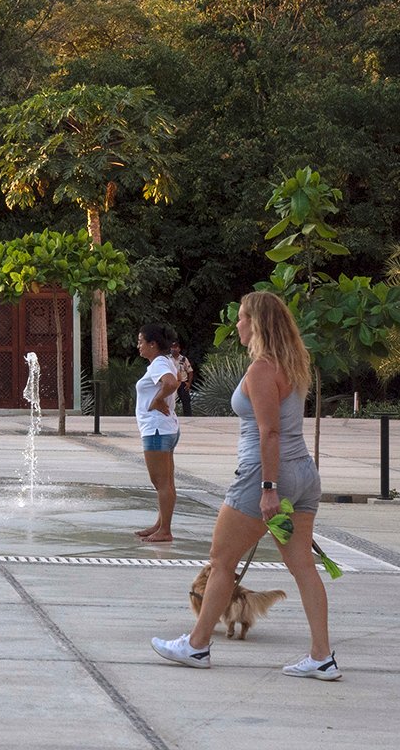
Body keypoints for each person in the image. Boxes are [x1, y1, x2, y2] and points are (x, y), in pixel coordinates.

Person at [152, 291, 339, 680]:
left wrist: (269, 488)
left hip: (265, 477)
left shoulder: (262, 370)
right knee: (303, 565)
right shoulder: (295, 365)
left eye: (241, 317)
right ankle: (322, 656)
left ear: (258, 323)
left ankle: (197, 645)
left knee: (221, 561)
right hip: (303, 475)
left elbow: (269, 433)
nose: (237, 324)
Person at [134, 324, 181, 543]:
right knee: (166, 482)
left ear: (153, 344)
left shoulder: (159, 364)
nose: (138, 346)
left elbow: (171, 383)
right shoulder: (165, 362)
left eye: (141, 341)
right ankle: (161, 524)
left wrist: (158, 399)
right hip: (166, 428)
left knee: (161, 482)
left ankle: (165, 530)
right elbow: (176, 380)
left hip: (156, 430)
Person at [172, 336, 195, 417]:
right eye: (172, 347)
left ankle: (188, 417)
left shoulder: (183, 359)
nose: (174, 349)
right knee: (171, 401)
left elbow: (190, 371)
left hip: (182, 383)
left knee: (186, 401)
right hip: (172, 383)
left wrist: (189, 383)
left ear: (179, 349)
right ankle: (171, 417)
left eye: (175, 347)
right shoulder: (168, 359)